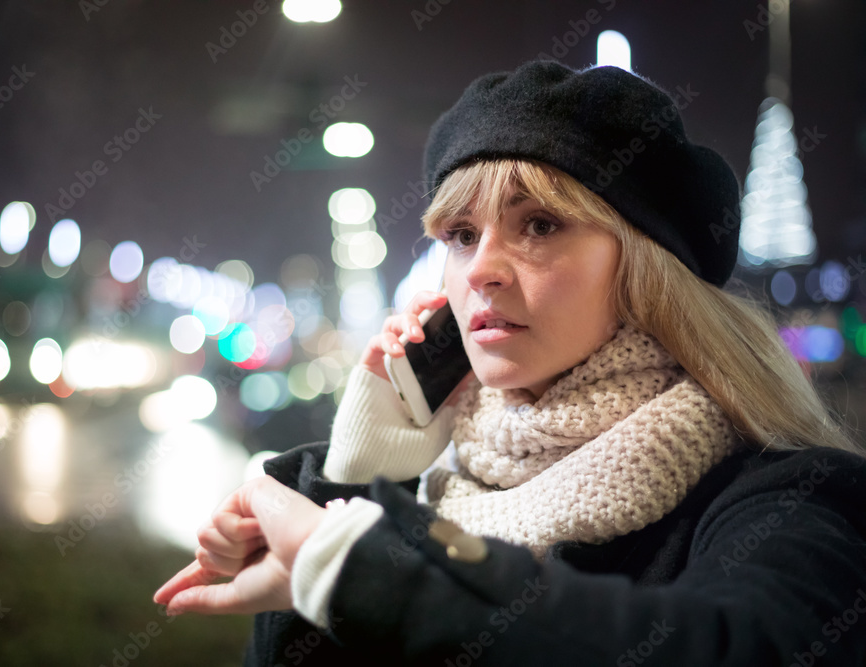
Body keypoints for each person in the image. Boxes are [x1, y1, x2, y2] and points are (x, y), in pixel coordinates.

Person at [153, 60, 866, 666]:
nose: (482, 268)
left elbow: (747, 645)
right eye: (462, 235)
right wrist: (357, 476)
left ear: (648, 270)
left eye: (541, 224)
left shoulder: (786, 495)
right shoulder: (428, 489)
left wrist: (353, 564)